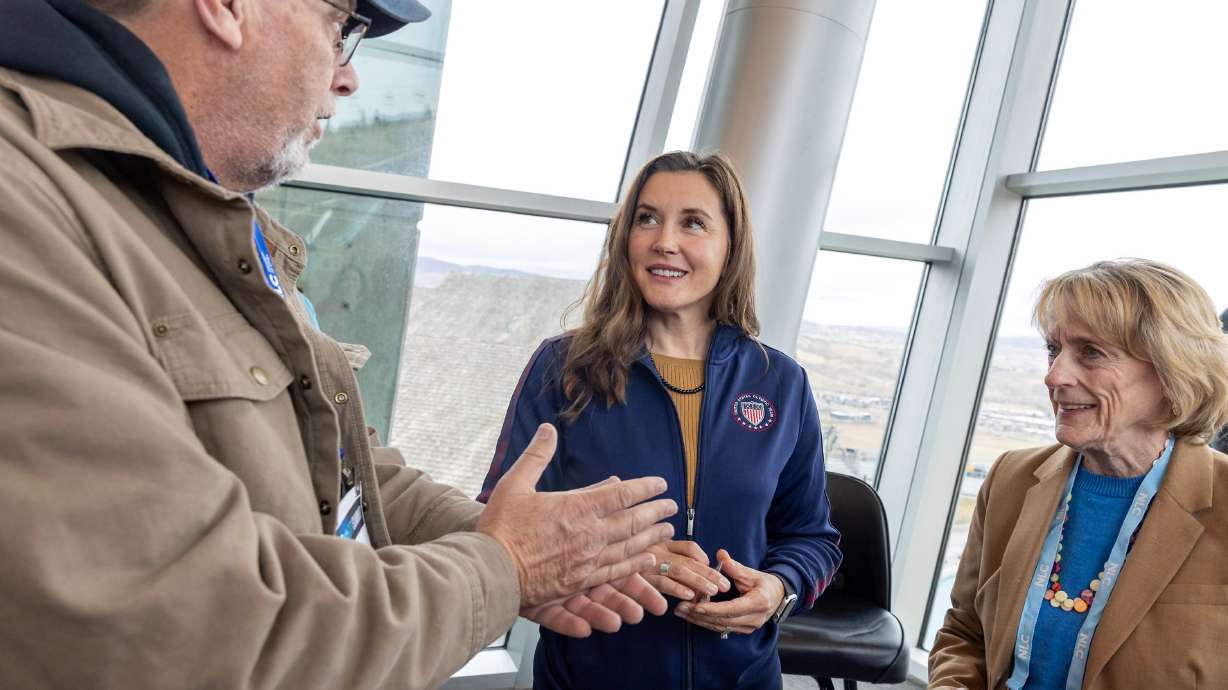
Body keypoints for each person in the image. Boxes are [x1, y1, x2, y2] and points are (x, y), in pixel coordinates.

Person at [0, 1, 680, 688]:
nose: (349, 78)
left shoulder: (204, 220)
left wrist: (524, 544)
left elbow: (343, 466)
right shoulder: (26, 202)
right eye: (341, 28)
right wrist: (503, 569)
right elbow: (183, 628)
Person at [478, 151, 843, 690]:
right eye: (647, 219)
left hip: (743, 678)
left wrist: (778, 590)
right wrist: (622, 560)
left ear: (730, 247)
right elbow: (503, 531)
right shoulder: (563, 369)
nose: (663, 241)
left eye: (693, 223)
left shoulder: (780, 383)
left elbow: (811, 537)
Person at [929, 259, 1228, 689]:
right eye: (1054, 349)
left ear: (1171, 370)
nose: (1055, 376)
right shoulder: (1012, 478)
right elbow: (965, 634)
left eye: (1090, 352)